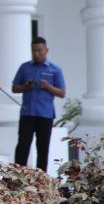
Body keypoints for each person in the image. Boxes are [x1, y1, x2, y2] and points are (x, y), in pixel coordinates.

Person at [12, 37, 66, 171]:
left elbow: (62, 93)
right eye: (34, 51)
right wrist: (26, 86)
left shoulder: (55, 69)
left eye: (39, 50)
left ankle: (41, 178)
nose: (36, 54)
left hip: (45, 114)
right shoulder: (25, 67)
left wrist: (48, 86)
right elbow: (14, 88)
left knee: (42, 147)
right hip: (27, 113)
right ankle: (17, 175)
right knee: (23, 145)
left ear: (46, 50)